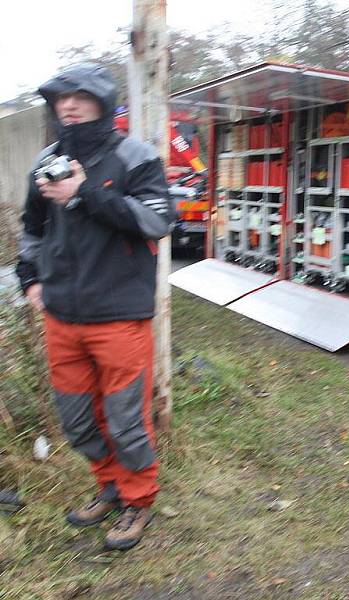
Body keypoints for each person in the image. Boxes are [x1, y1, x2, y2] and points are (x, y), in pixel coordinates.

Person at [15, 63, 175, 551]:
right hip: (61, 315)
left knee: (127, 417)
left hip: (119, 317)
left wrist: (83, 194)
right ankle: (108, 487)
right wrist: (30, 282)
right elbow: (32, 229)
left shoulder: (136, 156)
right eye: (61, 98)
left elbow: (157, 222)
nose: (69, 105)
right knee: (78, 417)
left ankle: (137, 501)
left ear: (102, 101)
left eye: (80, 96)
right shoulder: (47, 158)